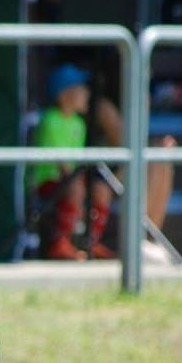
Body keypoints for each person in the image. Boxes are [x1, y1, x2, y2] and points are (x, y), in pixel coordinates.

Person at [31, 63, 112, 260]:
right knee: (76, 187)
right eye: (81, 89)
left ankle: (90, 243)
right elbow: (63, 165)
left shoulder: (78, 123)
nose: (86, 94)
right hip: (47, 183)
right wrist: (79, 185)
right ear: (64, 95)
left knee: (102, 190)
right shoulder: (50, 119)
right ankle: (60, 242)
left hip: (71, 181)